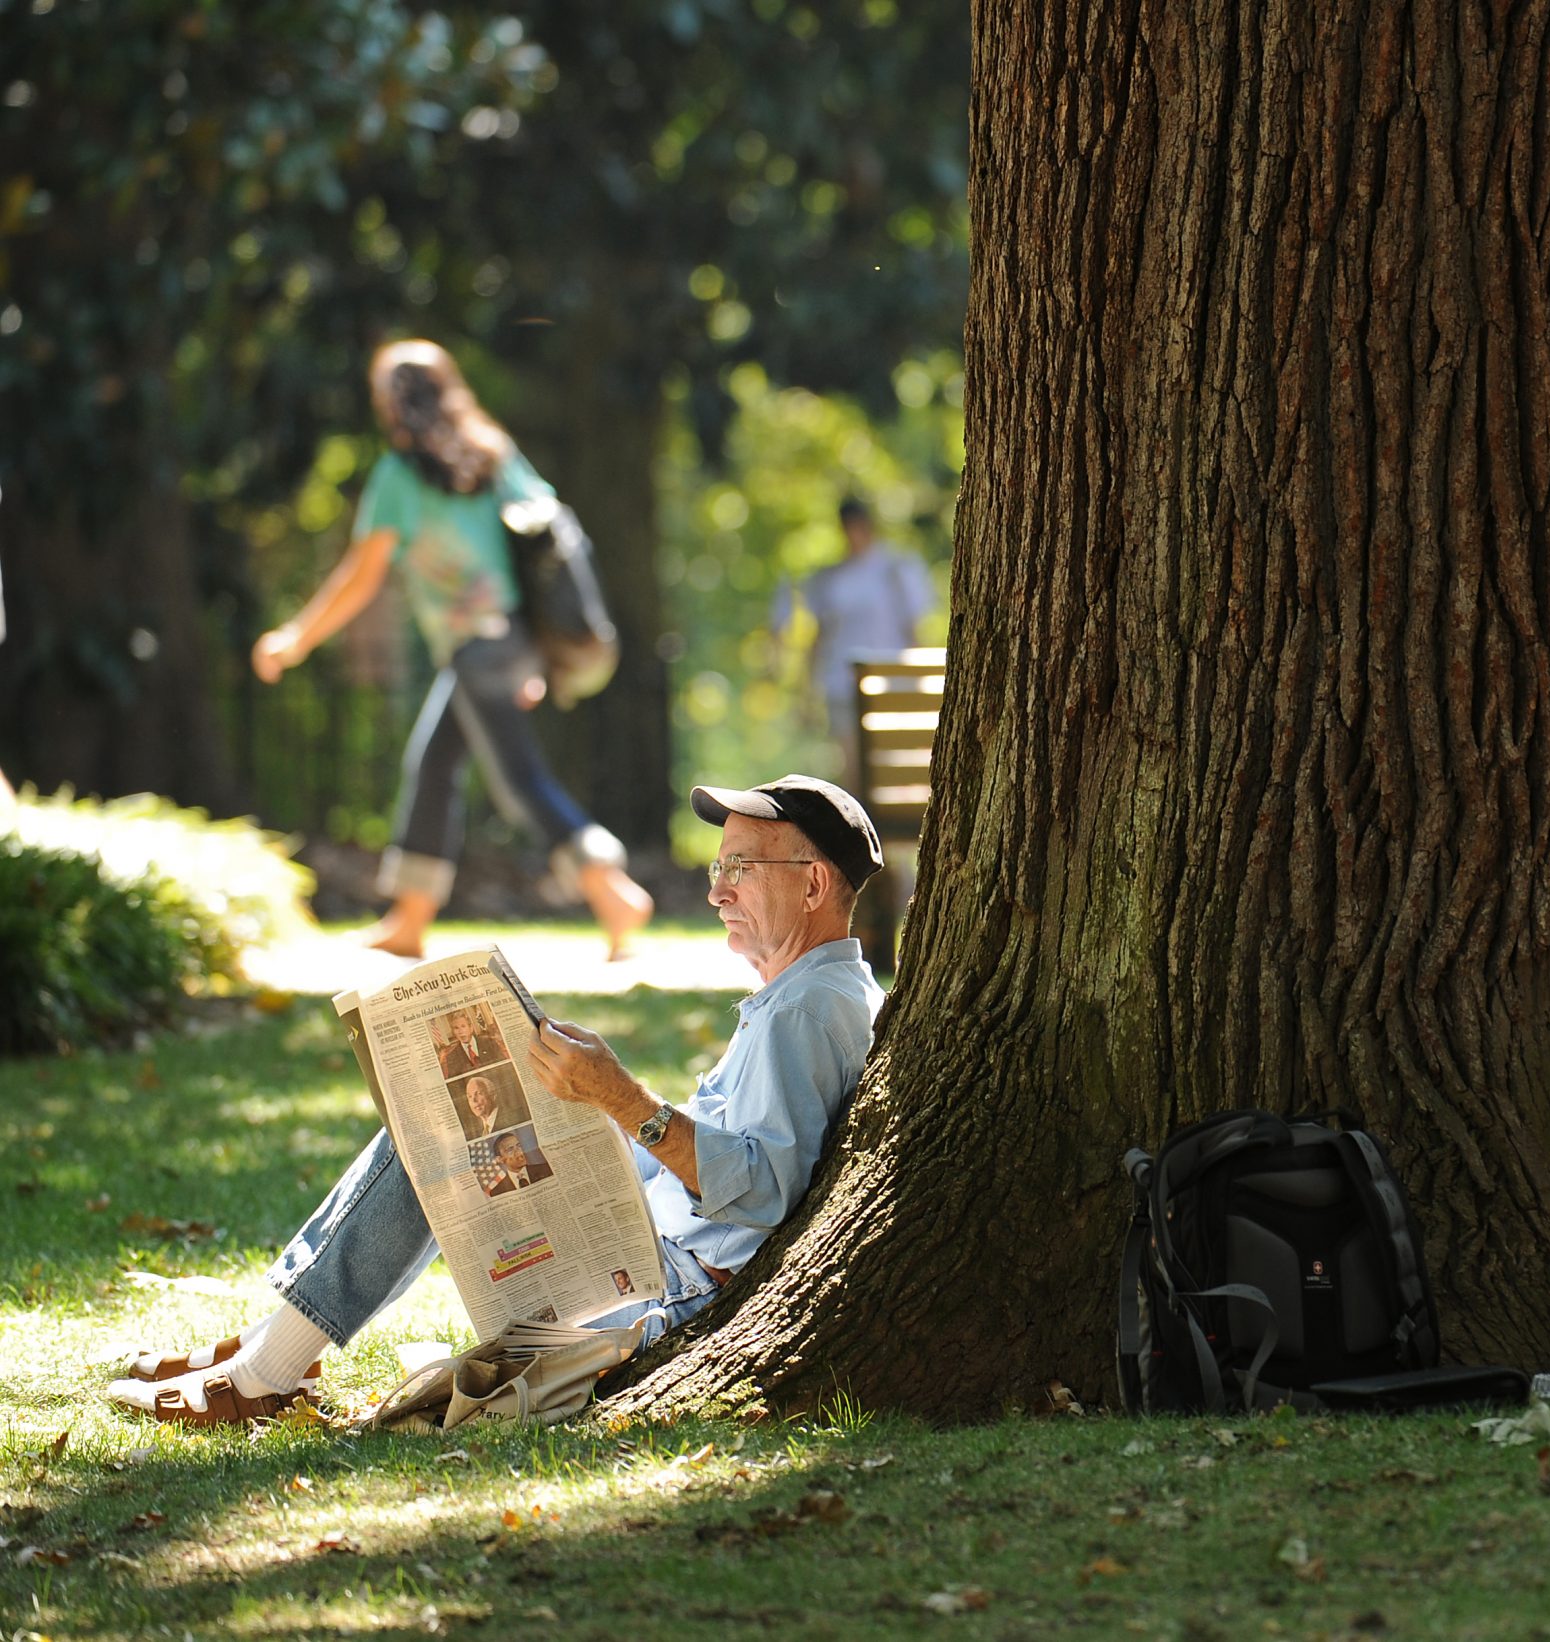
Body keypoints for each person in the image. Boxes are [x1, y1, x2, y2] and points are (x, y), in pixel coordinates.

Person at [106, 773, 886, 1425]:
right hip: (651, 1252)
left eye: (738, 870)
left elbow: (763, 1188)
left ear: (813, 883)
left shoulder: (810, 1010)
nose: (718, 893)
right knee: (457, 1116)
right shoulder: (806, 994)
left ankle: (266, 1371)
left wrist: (622, 1101)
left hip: (667, 1288)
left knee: (440, 1132)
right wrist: (578, 1122)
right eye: (717, 871)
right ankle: (270, 1351)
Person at [250, 339, 654, 960]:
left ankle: (611, 887)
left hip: (478, 651)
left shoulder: (400, 476)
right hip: (511, 640)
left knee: (519, 781)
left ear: (392, 402)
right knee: (435, 765)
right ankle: (409, 919)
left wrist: (295, 637)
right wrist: (538, 655)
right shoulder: (493, 455)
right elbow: (543, 549)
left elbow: (363, 574)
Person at [769, 496, 934, 740]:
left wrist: (923, 687)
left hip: (891, 682)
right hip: (842, 682)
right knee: (852, 762)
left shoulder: (898, 569)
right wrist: (806, 692)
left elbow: (914, 631)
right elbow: (820, 636)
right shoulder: (831, 579)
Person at [456, 1072, 529, 1141]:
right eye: (469, 1096)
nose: (473, 1100)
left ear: (493, 1095)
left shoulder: (514, 1117)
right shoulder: (475, 1132)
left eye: (479, 1093)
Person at [484, 1132, 553, 1194]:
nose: (519, 1152)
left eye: (519, 1146)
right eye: (510, 1149)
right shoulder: (497, 1192)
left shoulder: (547, 1169)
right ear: (500, 1159)